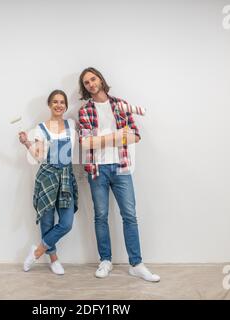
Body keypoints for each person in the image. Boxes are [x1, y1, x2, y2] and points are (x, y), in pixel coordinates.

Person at [78, 67, 160, 282]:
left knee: (130, 216)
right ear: (84, 87)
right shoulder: (85, 110)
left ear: (101, 79)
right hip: (97, 169)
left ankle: (137, 264)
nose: (91, 84)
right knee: (101, 216)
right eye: (86, 82)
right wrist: (117, 135)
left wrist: (103, 139)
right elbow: (86, 143)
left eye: (93, 79)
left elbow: (135, 136)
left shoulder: (120, 105)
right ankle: (105, 260)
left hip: (121, 167)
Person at [18, 89, 78, 275]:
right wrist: (27, 143)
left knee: (66, 223)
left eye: (62, 102)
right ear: (49, 105)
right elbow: (38, 156)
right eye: (55, 102)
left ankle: (37, 251)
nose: (59, 105)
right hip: (47, 175)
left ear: (66, 105)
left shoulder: (71, 124)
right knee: (47, 220)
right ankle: (53, 260)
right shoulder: (41, 128)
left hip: (66, 176)